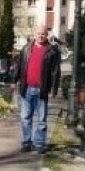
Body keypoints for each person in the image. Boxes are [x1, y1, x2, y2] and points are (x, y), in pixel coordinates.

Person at [14, 24, 61, 153]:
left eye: (43, 34)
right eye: (38, 33)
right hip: (27, 88)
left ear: (47, 35)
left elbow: (56, 71)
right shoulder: (26, 48)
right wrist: (14, 81)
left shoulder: (52, 51)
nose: (41, 36)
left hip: (42, 90)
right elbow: (19, 66)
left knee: (41, 119)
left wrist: (54, 90)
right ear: (34, 34)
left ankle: (39, 144)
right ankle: (26, 142)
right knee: (25, 117)